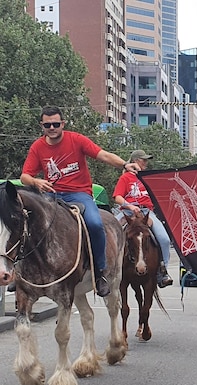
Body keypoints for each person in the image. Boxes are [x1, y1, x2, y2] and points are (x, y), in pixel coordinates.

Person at [20, 105, 140, 297]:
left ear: (62, 124)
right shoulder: (37, 146)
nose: (52, 128)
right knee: (27, 221)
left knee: (94, 223)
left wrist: (124, 164)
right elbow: (25, 176)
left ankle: (100, 272)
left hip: (79, 194)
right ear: (42, 125)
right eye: (47, 125)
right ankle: (23, 271)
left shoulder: (76, 139)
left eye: (56, 124)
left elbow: (103, 155)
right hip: (50, 196)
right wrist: (36, 181)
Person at [112, 150, 173, 288]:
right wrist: (130, 206)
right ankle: (106, 270)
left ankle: (162, 272)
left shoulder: (148, 178)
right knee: (107, 233)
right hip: (127, 212)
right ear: (134, 161)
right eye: (143, 160)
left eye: (146, 160)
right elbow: (118, 197)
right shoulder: (125, 178)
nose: (146, 162)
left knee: (164, 239)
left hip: (147, 213)